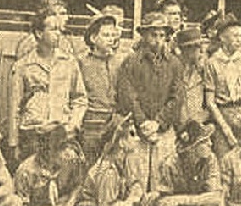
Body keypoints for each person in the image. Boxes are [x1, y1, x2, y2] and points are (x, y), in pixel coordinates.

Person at [8, 4, 87, 165]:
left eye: (59, 29)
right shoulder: (23, 66)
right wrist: (13, 143)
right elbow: (14, 108)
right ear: (39, 33)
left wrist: (73, 124)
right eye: (53, 29)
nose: (59, 34)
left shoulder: (69, 63)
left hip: (62, 134)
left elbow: (80, 99)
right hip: (33, 135)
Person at [116, 12, 184, 190]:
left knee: (162, 180)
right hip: (138, 131)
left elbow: (177, 97)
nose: (158, 40)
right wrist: (143, 122)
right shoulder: (131, 63)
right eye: (153, 35)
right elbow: (127, 95)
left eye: (162, 36)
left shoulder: (175, 64)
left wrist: (159, 122)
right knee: (136, 180)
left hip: (163, 130)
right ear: (144, 35)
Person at [204, 13, 241, 158]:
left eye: (240, 36)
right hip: (224, 116)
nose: (239, 40)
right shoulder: (212, 62)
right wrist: (226, 129)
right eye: (234, 36)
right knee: (225, 162)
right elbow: (210, 102)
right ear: (223, 38)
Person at [78, 15, 122, 166]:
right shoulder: (82, 63)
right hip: (90, 126)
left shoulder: (118, 63)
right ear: (93, 38)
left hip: (113, 125)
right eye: (105, 35)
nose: (111, 39)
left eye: (113, 35)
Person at [175, 27, 209, 126]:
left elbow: (211, 102)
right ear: (185, 49)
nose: (201, 51)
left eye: (200, 46)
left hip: (199, 124)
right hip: (177, 126)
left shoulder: (203, 71)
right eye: (197, 47)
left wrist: (200, 118)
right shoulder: (174, 71)